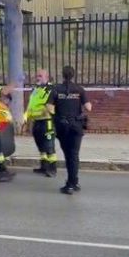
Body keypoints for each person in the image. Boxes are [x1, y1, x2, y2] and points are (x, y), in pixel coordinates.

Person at [47, 65, 92, 195]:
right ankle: (74, 182)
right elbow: (88, 108)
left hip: (62, 126)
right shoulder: (79, 89)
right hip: (76, 126)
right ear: (73, 75)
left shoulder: (56, 89)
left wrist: (58, 115)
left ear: (62, 74)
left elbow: (49, 108)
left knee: (69, 155)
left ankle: (71, 184)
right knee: (74, 155)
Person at [25, 69, 57, 177]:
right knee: (40, 146)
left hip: (46, 121)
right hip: (36, 121)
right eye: (36, 75)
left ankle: (52, 168)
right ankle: (44, 166)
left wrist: (37, 113)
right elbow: (30, 106)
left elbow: (48, 107)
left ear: (47, 77)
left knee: (49, 146)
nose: (37, 77)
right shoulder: (35, 90)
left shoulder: (50, 89)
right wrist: (28, 119)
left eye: (40, 76)